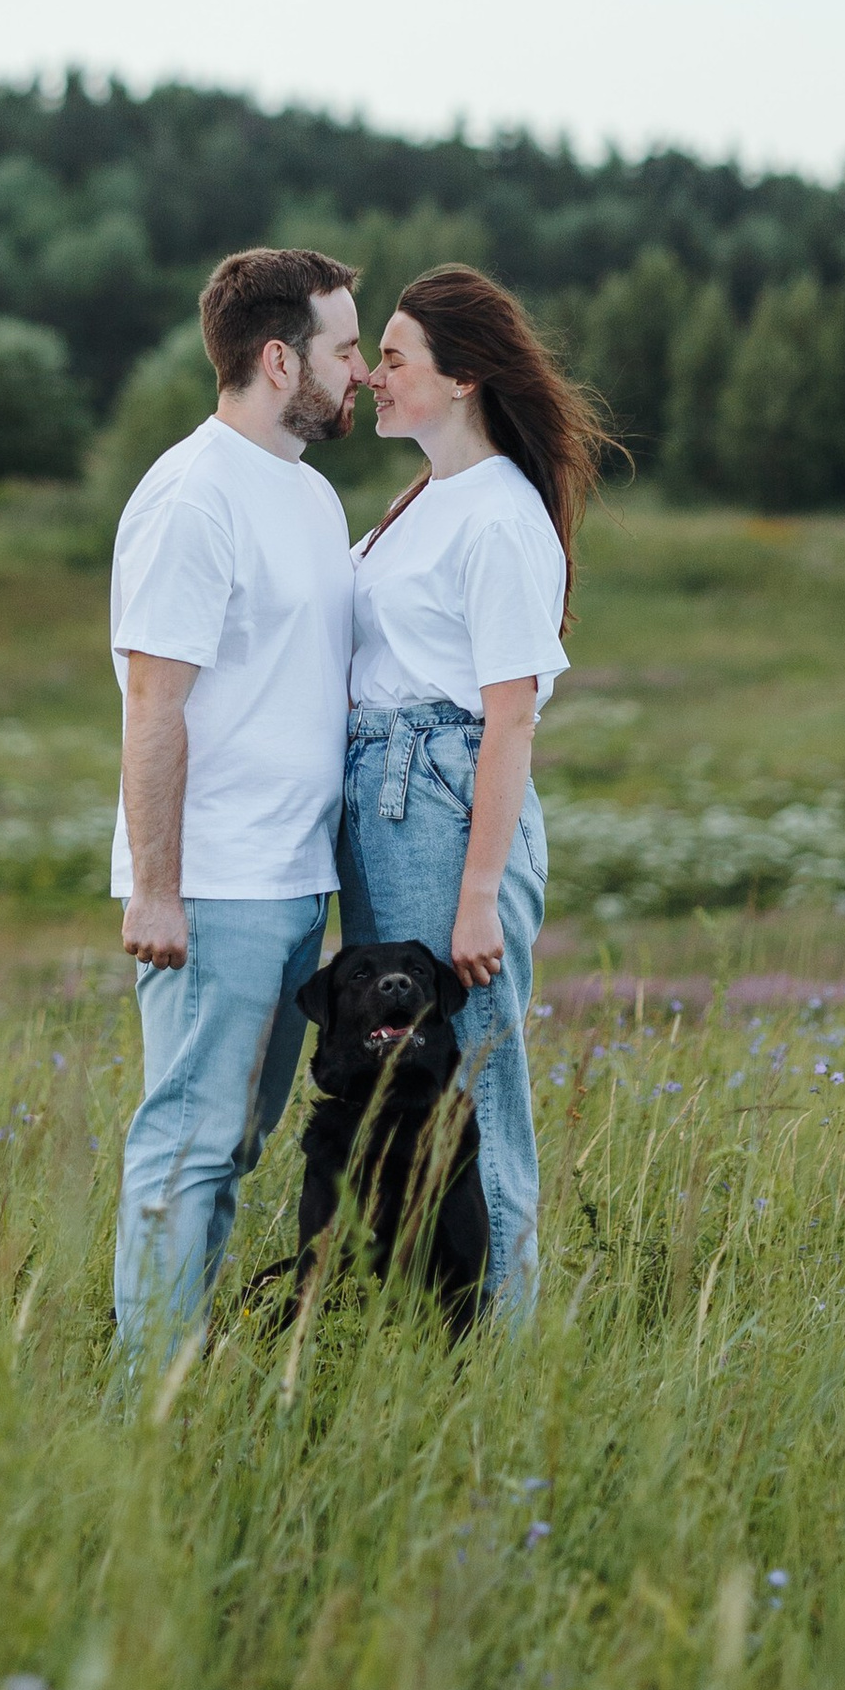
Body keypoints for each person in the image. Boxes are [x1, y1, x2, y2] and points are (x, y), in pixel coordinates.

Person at [109, 245, 369, 1353]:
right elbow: (153, 706)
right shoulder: (192, 496)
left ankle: (184, 1356)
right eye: (344, 349)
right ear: (278, 360)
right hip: (214, 886)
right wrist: (157, 891)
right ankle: (150, 1398)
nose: (363, 371)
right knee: (189, 1142)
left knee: (235, 1143)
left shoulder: (308, 493)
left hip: (293, 878)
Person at [340, 263, 611, 1318]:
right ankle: (430, 1328)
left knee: (471, 1091)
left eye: (393, 357)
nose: (372, 374)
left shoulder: (497, 514)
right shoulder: (425, 498)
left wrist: (477, 896)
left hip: (442, 809)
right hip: (389, 799)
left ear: (461, 378)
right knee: (407, 1089)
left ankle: (497, 1354)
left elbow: (510, 716)